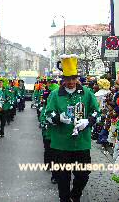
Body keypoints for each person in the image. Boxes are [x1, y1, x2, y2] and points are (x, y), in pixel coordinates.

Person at [45, 54, 99, 202]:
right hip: (61, 145)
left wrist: (88, 121)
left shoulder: (87, 93)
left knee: (83, 174)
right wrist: (58, 118)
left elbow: (96, 112)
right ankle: (64, 198)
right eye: (67, 79)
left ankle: (75, 195)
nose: (70, 82)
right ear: (63, 79)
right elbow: (47, 115)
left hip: (81, 144)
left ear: (77, 78)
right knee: (62, 177)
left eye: (73, 78)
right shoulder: (55, 95)